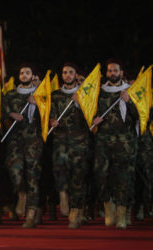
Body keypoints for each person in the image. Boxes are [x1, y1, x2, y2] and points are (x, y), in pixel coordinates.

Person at [92, 58, 138, 229]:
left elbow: (142, 115)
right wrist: (93, 119)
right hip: (103, 142)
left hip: (125, 142)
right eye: (110, 70)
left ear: (121, 72)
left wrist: (129, 102)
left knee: (124, 178)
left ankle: (122, 213)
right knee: (103, 176)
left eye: (116, 70)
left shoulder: (130, 92)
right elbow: (89, 112)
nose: (113, 73)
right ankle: (108, 209)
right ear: (106, 73)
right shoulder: (99, 92)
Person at [2, 63, 43, 228]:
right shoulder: (10, 95)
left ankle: (31, 214)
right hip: (15, 140)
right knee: (14, 169)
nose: (24, 75)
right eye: (22, 73)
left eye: (27, 72)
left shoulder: (40, 94)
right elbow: (2, 111)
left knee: (33, 176)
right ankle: (21, 193)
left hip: (33, 140)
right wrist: (12, 114)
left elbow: (49, 114)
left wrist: (39, 103)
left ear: (32, 76)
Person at [49, 62, 90, 228]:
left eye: (71, 72)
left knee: (78, 175)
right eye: (65, 72)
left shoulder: (85, 94)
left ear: (75, 75)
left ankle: (76, 210)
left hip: (80, 140)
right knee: (59, 169)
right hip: (60, 139)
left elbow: (91, 115)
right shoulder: (56, 94)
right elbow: (50, 114)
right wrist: (52, 120)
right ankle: (63, 195)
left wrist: (80, 102)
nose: (67, 75)